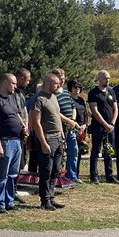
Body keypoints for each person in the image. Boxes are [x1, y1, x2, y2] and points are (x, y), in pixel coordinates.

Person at [0, 73, 24, 213]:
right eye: (13, 83)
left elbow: (16, 114)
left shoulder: (12, 98)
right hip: (5, 141)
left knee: (12, 174)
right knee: (2, 174)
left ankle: (9, 201)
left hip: (16, 141)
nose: (15, 86)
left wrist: (22, 125)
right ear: (4, 83)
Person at [28, 74, 66, 211]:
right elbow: (36, 123)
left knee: (55, 170)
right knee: (46, 170)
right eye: (56, 83)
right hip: (47, 138)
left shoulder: (54, 97)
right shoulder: (39, 99)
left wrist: (62, 137)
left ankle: (51, 196)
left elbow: (57, 119)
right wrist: (43, 142)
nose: (59, 85)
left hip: (57, 138)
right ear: (47, 83)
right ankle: (44, 200)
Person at [87, 70, 119, 184]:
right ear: (99, 79)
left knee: (109, 151)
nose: (108, 80)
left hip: (111, 127)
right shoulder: (93, 93)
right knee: (96, 151)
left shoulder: (111, 92)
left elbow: (115, 109)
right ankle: (94, 176)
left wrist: (112, 124)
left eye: (109, 78)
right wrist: (105, 124)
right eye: (105, 78)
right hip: (98, 127)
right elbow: (94, 111)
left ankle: (109, 176)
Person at [51, 69, 79, 182]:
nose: (62, 82)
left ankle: (71, 176)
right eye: (59, 79)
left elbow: (73, 107)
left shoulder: (67, 92)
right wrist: (68, 121)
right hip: (59, 127)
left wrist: (72, 120)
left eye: (63, 79)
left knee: (74, 150)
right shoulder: (52, 95)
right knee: (59, 153)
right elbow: (55, 112)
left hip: (70, 128)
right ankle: (57, 176)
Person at [67, 79, 87, 182]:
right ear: (70, 88)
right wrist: (77, 126)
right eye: (75, 87)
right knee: (73, 152)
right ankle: (71, 175)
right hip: (73, 127)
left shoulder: (81, 100)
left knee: (79, 152)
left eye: (79, 87)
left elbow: (85, 114)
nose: (77, 89)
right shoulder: (69, 99)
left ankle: (76, 174)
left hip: (82, 129)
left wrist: (85, 125)